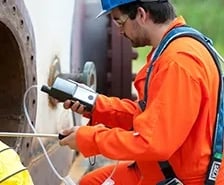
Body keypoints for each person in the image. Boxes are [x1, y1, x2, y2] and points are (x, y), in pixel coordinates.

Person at [59, 0, 224, 184]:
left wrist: (90, 139)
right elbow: (149, 116)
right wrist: (97, 106)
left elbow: (153, 143)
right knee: (92, 182)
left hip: (185, 179)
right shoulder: (172, 47)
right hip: (165, 168)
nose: (120, 32)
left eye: (120, 22)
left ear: (141, 14)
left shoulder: (177, 62)